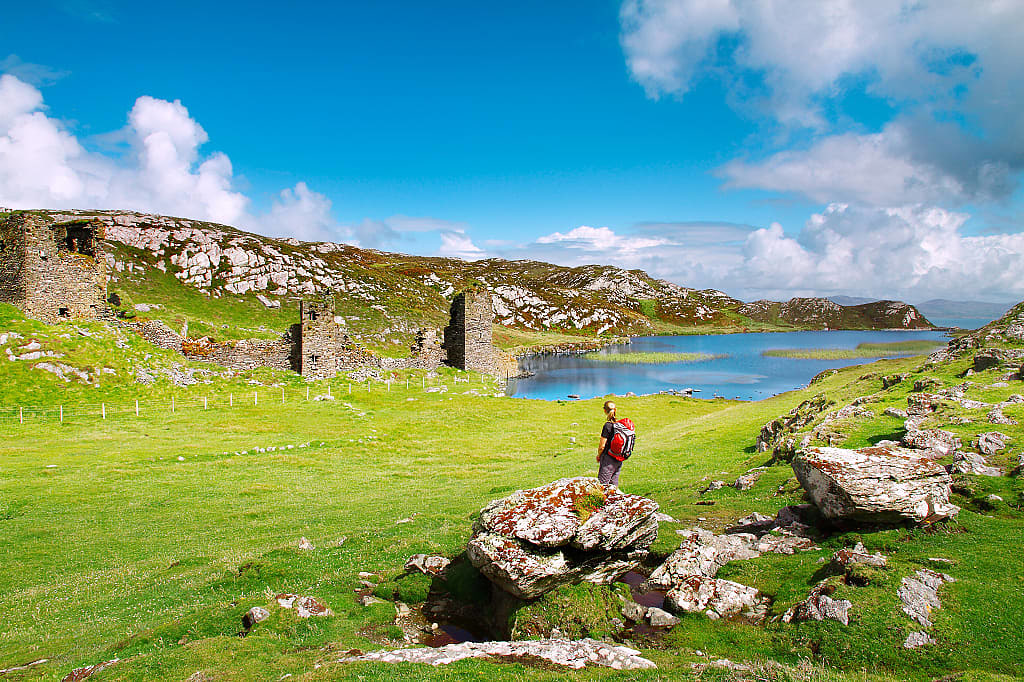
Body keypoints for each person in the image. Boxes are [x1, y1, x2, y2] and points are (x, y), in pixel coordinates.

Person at [596, 400, 629, 486]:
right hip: (618, 458)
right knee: (614, 485)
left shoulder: (607, 425)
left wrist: (599, 456)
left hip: (608, 459)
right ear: (615, 410)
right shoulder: (619, 425)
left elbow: (601, 447)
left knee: (603, 485)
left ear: (604, 410)